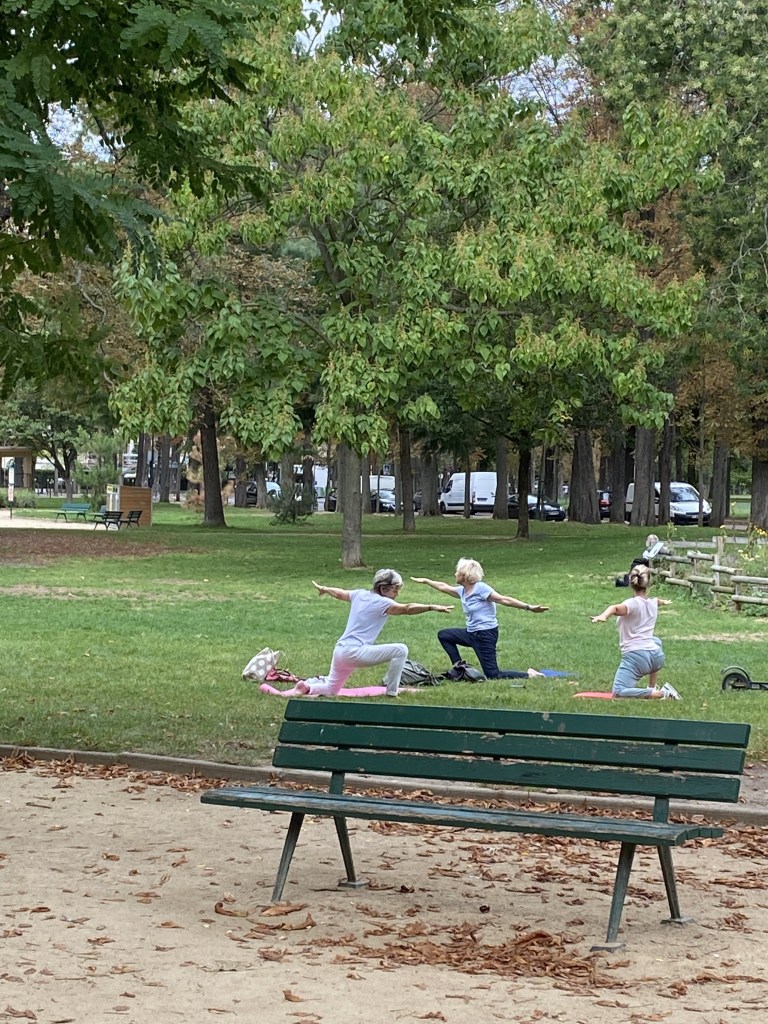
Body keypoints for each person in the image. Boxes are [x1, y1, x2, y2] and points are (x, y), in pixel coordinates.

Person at [268, 569, 453, 698]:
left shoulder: (360, 594)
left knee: (332, 689)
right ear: (383, 589)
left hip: (340, 651)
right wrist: (431, 606)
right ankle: (391, 692)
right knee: (401, 650)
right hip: (355, 652)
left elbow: (340, 593)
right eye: (395, 589)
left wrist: (325, 589)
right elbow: (407, 609)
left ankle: (306, 687)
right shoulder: (382, 603)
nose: (397, 594)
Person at [410, 557, 549, 680]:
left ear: (464, 575)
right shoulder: (462, 591)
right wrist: (427, 581)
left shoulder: (481, 588)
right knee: (444, 635)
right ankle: (460, 669)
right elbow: (443, 587)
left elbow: (504, 599)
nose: (454, 574)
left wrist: (529, 607)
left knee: (493, 674)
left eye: (457, 571)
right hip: (471, 633)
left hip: (485, 634)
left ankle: (530, 675)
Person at [592, 563, 681, 699]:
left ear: (631, 582)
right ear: (649, 584)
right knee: (656, 640)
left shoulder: (632, 604)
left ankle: (663, 693)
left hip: (637, 658)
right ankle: (652, 686)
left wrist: (603, 616)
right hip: (656, 657)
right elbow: (657, 601)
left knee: (618, 691)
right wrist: (664, 602)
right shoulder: (652, 602)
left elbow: (615, 608)